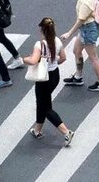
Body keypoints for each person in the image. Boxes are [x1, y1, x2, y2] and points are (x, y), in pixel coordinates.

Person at [23, 17, 73, 145]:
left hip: (43, 78)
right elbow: (63, 58)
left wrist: (25, 59)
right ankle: (37, 129)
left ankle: (66, 132)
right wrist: (53, 62)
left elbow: (33, 61)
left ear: (42, 30)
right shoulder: (57, 41)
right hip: (54, 76)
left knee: (45, 107)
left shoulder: (39, 45)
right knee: (42, 102)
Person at [60, 0, 99, 92]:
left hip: (88, 29)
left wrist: (69, 33)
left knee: (93, 58)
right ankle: (78, 76)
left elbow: (80, 20)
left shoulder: (84, 1)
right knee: (76, 51)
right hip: (87, 28)